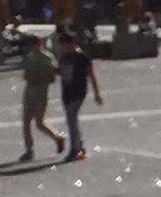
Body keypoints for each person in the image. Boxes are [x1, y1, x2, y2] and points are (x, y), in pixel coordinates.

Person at [13, 32, 64, 159]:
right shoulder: (29, 57)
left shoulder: (47, 57)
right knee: (26, 122)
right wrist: (30, 76)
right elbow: (25, 75)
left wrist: (39, 76)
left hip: (40, 92)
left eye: (32, 46)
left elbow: (52, 77)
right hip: (29, 91)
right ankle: (29, 151)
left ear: (38, 44)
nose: (30, 49)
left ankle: (57, 137)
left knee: (40, 122)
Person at [57, 30, 103, 161]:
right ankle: (79, 145)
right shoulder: (63, 57)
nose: (64, 47)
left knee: (72, 121)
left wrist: (97, 93)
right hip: (66, 92)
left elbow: (92, 76)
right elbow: (60, 72)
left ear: (72, 43)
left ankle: (75, 149)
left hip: (78, 92)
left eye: (66, 44)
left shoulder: (82, 57)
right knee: (71, 120)